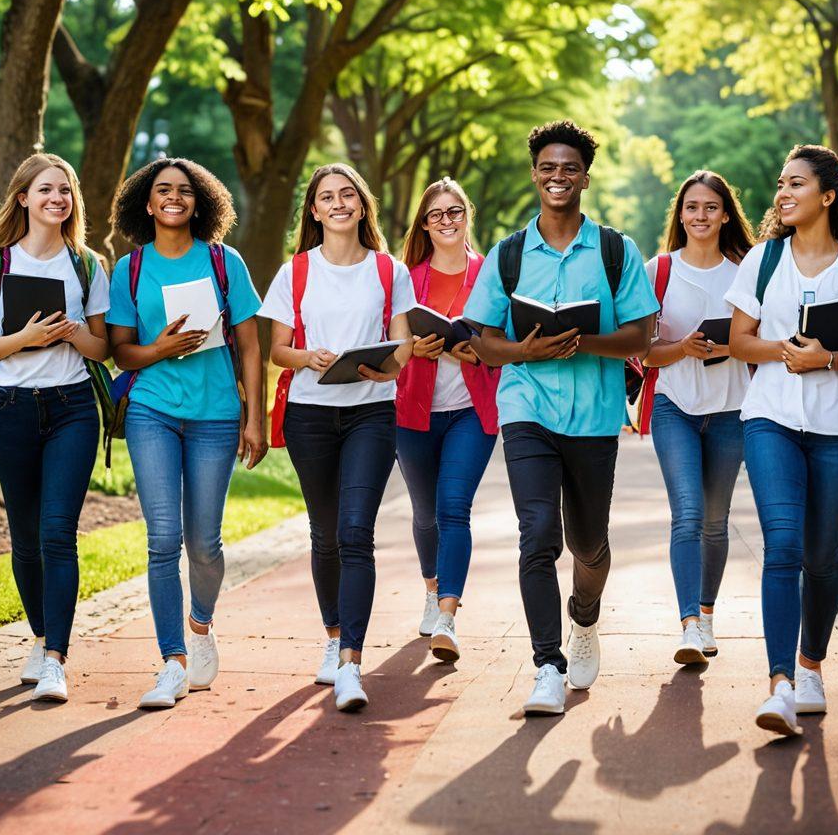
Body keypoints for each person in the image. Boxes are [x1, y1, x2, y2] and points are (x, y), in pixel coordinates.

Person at [464, 120, 658, 716]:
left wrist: (581, 342)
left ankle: (585, 616)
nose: (557, 177)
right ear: (534, 174)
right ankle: (547, 665)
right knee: (538, 535)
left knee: (589, 543)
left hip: (596, 415)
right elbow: (482, 337)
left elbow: (642, 332)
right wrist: (528, 351)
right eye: (548, 167)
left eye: (569, 168)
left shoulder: (614, 249)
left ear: (585, 178)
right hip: (527, 407)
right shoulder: (509, 253)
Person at [726, 144, 838, 738]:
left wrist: (826, 359)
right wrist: (783, 351)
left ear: (827, 195)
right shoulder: (763, 260)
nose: (782, 193)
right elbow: (738, 341)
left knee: (822, 556)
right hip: (769, 418)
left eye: (795, 183)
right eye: (781, 183)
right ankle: (778, 687)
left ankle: (811, 668)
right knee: (783, 545)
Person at [107, 158, 265, 710]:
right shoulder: (128, 269)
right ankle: (172, 661)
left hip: (215, 415)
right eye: (162, 191)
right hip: (152, 410)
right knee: (162, 540)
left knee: (204, 541)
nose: (174, 197)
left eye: (185, 191)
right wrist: (159, 350)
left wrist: (256, 418)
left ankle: (200, 624)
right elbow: (119, 348)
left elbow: (249, 346)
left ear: (199, 203)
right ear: (146, 205)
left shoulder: (225, 262)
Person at [261, 164, 415, 712]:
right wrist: (309, 357)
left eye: (348, 194)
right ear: (314, 210)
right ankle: (332, 638)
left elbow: (404, 347)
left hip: (372, 415)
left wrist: (387, 366)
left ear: (362, 204)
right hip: (310, 416)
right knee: (324, 535)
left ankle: (351, 662)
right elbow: (278, 350)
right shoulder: (295, 273)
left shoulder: (388, 270)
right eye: (327, 197)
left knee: (356, 532)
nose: (339, 203)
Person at [0, 152, 111, 703]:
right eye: (46, 189)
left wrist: (71, 334)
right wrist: (25, 338)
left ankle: (55, 660)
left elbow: (104, 349)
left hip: (72, 408)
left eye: (65, 190)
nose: (58, 199)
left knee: (56, 533)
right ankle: (42, 634)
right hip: (10, 411)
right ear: (22, 197)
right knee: (24, 539)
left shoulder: (88, 265)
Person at [642, 171, 754, 666]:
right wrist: (680, 348)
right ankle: (689, 626)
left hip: (732, 408)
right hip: (674, 406)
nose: (701, 216)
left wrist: (732, 346)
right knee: (687, 512)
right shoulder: (658, 270)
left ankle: (707, 614)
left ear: (726, 214)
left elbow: (765, 342)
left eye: (711, 207)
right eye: (692, 207)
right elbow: (643, 352)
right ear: (680, 214)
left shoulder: (747, 271)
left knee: (715, 520)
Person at [395, 178, 500, 662]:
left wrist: (478, 353)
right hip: (413, 409)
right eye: (436, 214)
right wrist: (413, 348)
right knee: (424, 513)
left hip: (473, 412)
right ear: (424, 223)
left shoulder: (490, 273)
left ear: (467, 216)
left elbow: (507, 339)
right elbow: (387, 343)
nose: (447, 221)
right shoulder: (405, 279)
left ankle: (448, 615)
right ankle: (431, 586)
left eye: (455, 211)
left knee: (453, 506)